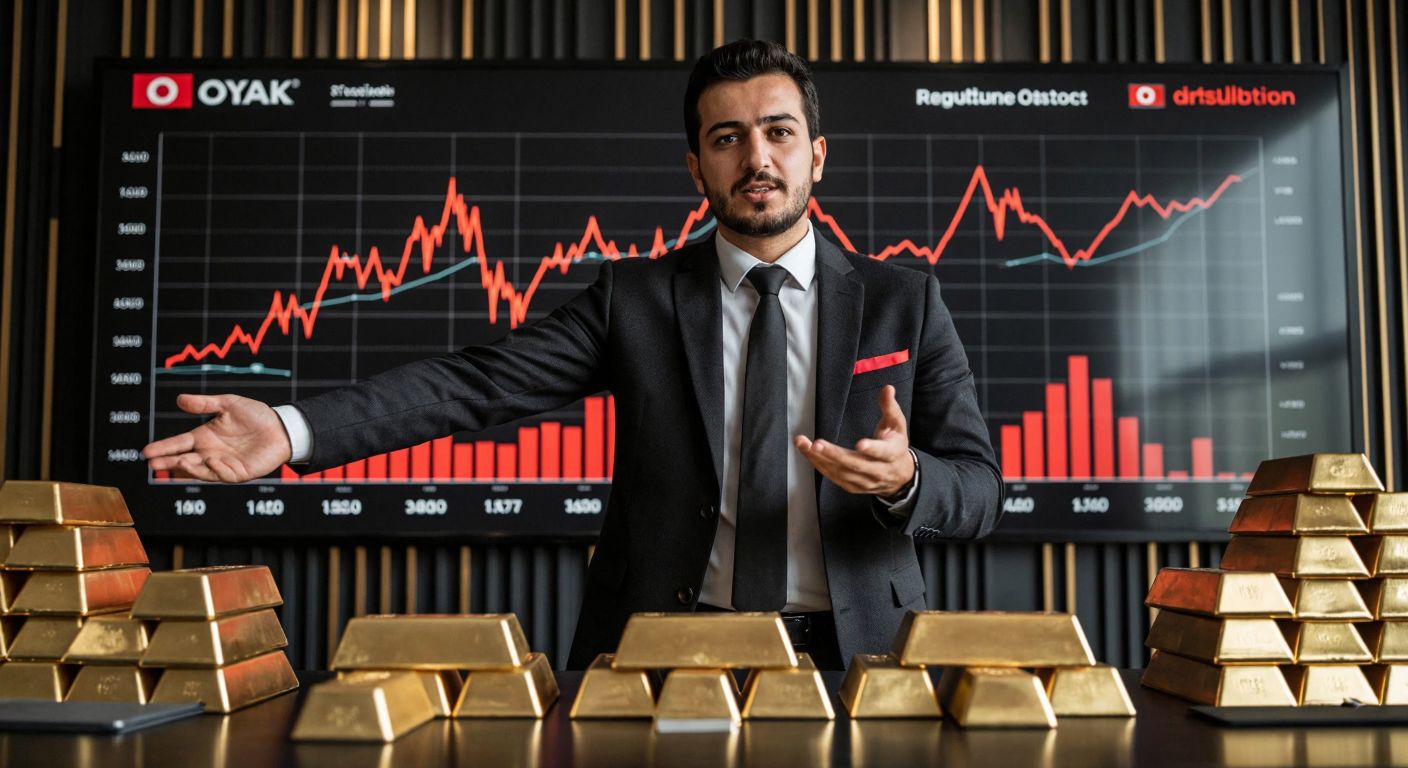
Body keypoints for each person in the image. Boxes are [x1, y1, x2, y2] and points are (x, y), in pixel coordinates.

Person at [143, 39, 1003, 670]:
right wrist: (291, 430)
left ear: (816, 154)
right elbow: (475, 383)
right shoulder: (635, 301)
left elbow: (981, 489)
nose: (757, 159)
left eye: (779, 132)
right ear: (696, 168)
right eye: (727, 138)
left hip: (859, 654)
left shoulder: (906, 301)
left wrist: (907, 481)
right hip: (666, 649)